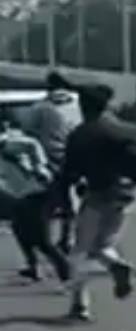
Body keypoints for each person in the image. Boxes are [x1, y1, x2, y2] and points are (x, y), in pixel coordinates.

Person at [58, 85, 136, 321]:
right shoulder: (119, 131)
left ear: (83, 107)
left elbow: (68, 172)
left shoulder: (81, 134)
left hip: (96, 194)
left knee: (80, 252)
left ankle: (80, 305)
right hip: (123, 195)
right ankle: (116, 265)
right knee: (102, 245)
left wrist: (61, 199)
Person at [0, 110, 69, 282]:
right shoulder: (27, 142)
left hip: (34, 194)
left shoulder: (21, 143)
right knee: (20, 230)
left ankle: (67, 274)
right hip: (24, 195)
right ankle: (34, 267)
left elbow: (39, 167)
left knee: (42, 240)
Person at [26, 71, 82, 252]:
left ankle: (46, 241)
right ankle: (67, 239)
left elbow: (29, 132)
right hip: (73, 159)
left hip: (48, 160)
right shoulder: (77, 105)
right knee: (70, 203)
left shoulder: (40, 108)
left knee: (48, 206)